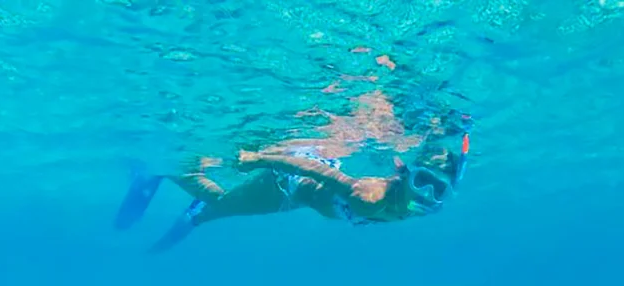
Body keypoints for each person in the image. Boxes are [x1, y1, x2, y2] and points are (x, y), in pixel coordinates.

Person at [114, 94, 471, 253]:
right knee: (220, 200)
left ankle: (194, 208)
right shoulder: (368, 196)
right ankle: (161, 169)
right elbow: (311, 168)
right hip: (288, 187)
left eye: (438, 190)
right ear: (405, 173)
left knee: (221, 206)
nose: (426, 196)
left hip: (299, 195)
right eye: (422, 181)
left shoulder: (408, 198)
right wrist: (260, 157)